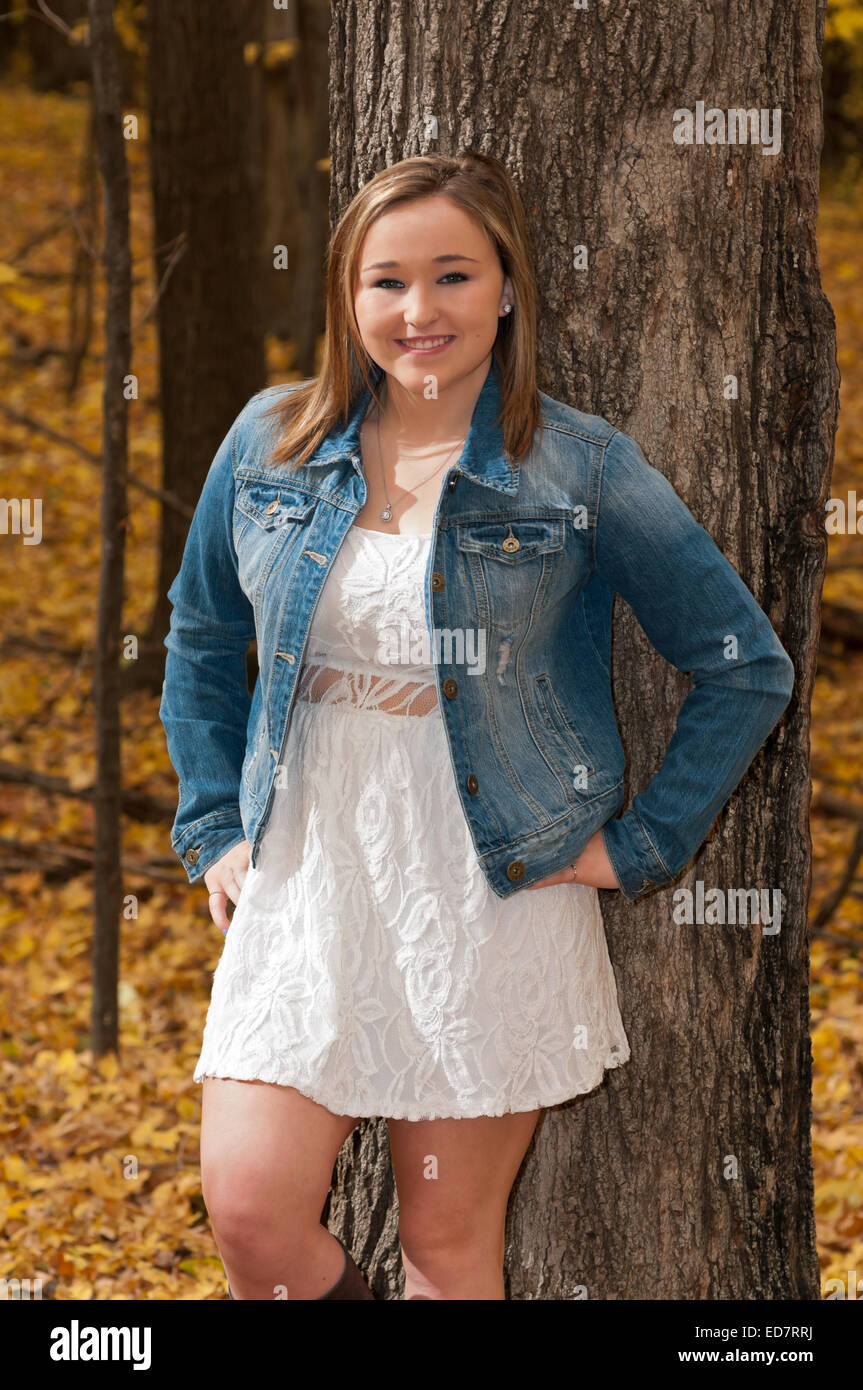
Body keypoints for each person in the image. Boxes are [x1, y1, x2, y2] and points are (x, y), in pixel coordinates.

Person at [158, 150, 795, 1301]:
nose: (417, 311)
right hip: (304, 870)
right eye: (384, 281)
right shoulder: (271, 443)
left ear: (506, 287)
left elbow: (742, 665)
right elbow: (203, 637)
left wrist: (637, 847)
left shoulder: (576, 465)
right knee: (252, 1215)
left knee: (446, 1252)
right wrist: (212, 823)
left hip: (490, 883)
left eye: (451, 275)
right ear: (346, 298)